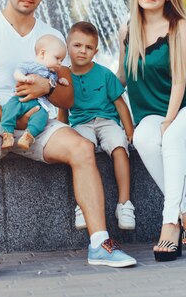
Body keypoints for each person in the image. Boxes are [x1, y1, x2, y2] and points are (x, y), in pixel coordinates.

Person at [0, 0, 136, 282]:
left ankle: (100, 243)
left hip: (38, 120)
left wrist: (48, 87)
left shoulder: (51, 35)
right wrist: (12, 122)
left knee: (82, 148)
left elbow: (67, 99)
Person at [117, 0, 186, 262]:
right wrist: (79, 78)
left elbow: (180, 79)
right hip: (152, 114)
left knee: (170, 139)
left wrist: (170, 120)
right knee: (143, 139)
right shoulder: (127, 30)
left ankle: (170, 225)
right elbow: (120, 76)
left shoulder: (180, 27)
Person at [58, 21, 136, 231]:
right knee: (81, 151)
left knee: (119, 147)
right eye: (77, 45)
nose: (82, 51)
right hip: (81, 123)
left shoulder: (104, 74)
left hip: (107, 121)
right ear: (67, 46)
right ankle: (83, 206)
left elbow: (120, 103)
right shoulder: (63, 77)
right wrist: (60, 130)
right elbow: (63, 107)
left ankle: (124, 204)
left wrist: (129, 130)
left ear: (95, 51)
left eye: (88, 47)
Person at [0, 34, 69, 150]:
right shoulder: (30, 65)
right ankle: (7, 133)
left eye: (61, 60)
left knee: (42, 117)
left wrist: (61, 80)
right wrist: (22, 78)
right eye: (57, 58)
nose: (60, 63)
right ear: (42, 53)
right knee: (9, 108)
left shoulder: (53, 74)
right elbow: (17, 72)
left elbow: (55, 84)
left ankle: (28, 136)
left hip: (39, 104)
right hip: (21, 99)